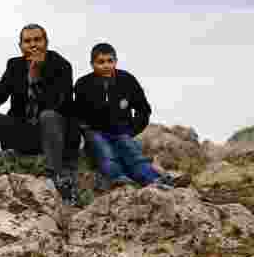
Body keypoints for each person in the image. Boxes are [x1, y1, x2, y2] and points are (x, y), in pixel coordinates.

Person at [0, 23, 81, 205]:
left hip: (54, 135)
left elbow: (59, 103)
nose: (33, 45)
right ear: (21, 46)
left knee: (49, 116)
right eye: (27, 41)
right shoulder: (15, 66)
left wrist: (37, 76)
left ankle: (54, 175)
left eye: (38, 40)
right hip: (25, 133)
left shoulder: (61, 66)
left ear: (46, 42)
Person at [74, 43, 189, 191]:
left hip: (121, 132)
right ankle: (120, 181)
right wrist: (84, 133)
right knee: (107, 155)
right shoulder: (83, 84)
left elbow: (144, 110)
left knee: (134, 156)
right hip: (95, 133)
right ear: (92, 64)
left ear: (115, 61)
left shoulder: (127, 80)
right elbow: (76, 113)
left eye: (110, 61)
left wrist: (131, 131)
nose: (106, 65)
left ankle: (158, 181)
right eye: (101, 62)